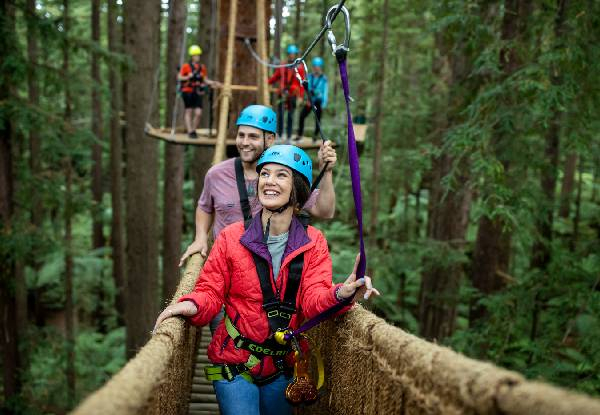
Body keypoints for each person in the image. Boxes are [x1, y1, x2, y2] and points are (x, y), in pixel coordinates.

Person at [154, 145, 379, 415]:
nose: (269, 181)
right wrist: (188, 304)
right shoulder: (231, 237)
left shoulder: (313, 242)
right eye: (265, 174)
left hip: (283, 364)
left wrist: (342, 294)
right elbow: (210, 291)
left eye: (281, 175)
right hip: (234, 361)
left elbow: (312, 300)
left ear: (297, 189)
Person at [178, 104, 337, 332]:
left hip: (269, 284)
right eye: (240, 135)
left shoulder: (286, 179)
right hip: (225, 275)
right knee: (225, 337)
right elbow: (205, 206)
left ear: (270, 139)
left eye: (252, 136)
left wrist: (326, 172)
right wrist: (200, 236)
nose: (244, 142)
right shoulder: (216, 174)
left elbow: (325, 211)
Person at [178, 45, 217, 138]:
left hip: (197, 91)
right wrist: (188, 76)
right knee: (188, 111)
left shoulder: (201, 67)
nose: (197, 57)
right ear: (192, 56)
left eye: (198, 55)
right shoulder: (186, 67)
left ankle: (193, 129)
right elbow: (179, 77)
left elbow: (205, 79)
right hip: (187, 91)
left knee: (198, 113)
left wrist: (213, 83)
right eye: (195, 55)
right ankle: (190, 131)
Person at [268, 45, 306, 140]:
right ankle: (280, 135)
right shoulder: (283, 66)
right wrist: (266, 83)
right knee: (280, 114)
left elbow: (302, 82)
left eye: (293, 54)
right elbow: (275, 77)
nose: (292, 56)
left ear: (295, 55)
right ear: (288, 55)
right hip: (283, 93)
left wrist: (301, 96)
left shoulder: (300, 68)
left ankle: (288, 136)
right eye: (290, 54)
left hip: (292, 95)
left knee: (290, 116)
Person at [297, 56, 328, 141]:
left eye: (317, 66)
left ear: (320, 67)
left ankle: (315, 135)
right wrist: (305, 98)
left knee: (317, 119)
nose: (316, 68)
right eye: (315, 66)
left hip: (318, 101)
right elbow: (306, 88)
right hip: (310, 100)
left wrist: (324, 103)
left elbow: (325, 91)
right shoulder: (309, 76)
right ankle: (300, 135)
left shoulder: (323, 79)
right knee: (302, 116)